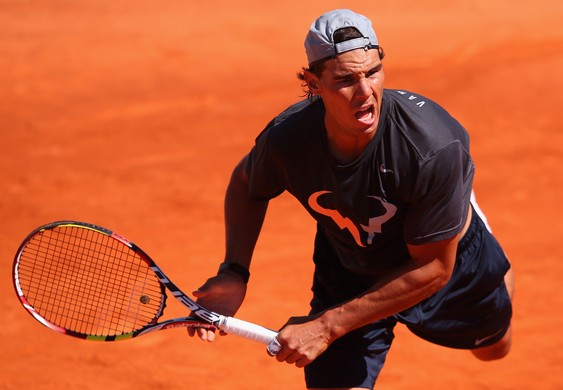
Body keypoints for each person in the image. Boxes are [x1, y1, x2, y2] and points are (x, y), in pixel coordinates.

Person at [188, 9, 514, 390]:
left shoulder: (433, 146)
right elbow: (247, 184)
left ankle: (463, 215)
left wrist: (327, 326)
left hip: (445, 263)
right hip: (350, 264)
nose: (365, 92)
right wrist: (234, 272)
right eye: (345, 79)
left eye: (372, 72)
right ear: (313, 83)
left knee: (495, 349)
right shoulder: (288, 140)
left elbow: (434, 269)